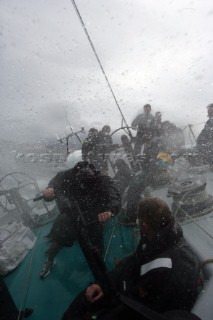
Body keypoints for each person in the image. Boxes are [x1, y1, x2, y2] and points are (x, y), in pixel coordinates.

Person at [61, 197, 201, 320]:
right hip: (136, 294)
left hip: (143, 306)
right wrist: (102, 284)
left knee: (83, 309)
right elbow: (134, 262)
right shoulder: (163, 239)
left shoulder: (166, 267)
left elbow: (138, 308)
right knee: (85, 299)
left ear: (144, 226)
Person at [40, 161, 121, 279]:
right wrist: (50, 189)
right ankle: (50, 261)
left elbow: (114, 196)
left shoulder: (102, 180)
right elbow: (55, 182)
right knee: (56, 243)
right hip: (72, 216)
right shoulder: (68, 175)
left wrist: (110, 210)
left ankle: (99, 272)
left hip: (94, 218)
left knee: (97, 248)